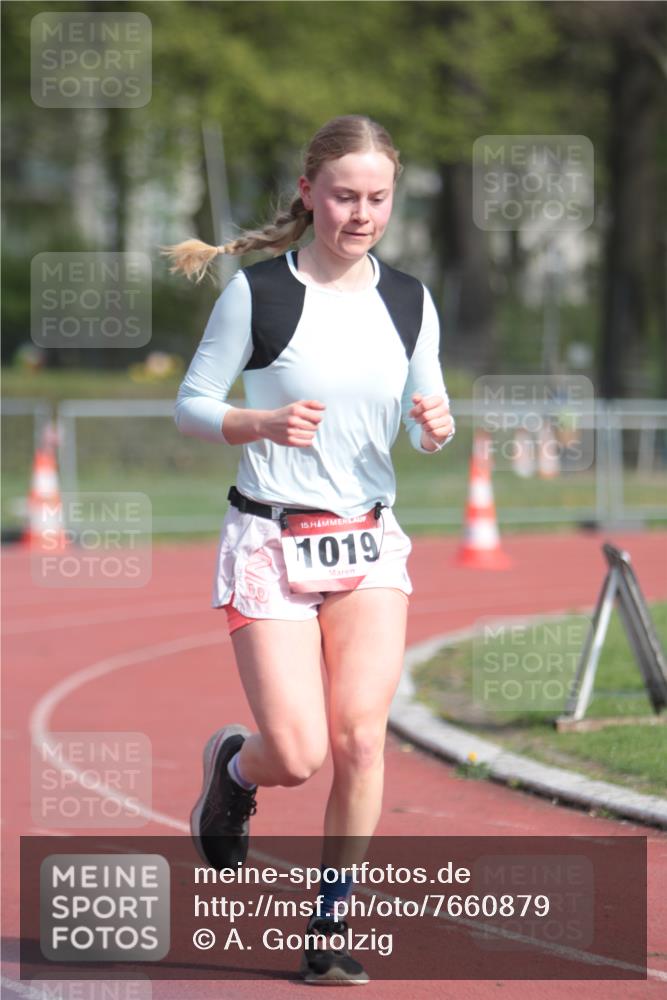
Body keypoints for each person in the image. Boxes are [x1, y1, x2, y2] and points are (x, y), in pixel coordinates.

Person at [164, 114, 455, 986]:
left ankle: (330, 923)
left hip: (366, 540)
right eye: (342, 196)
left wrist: (437, 423)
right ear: (308, 192)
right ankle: (234, 769)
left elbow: (429, 405)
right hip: (268, 533)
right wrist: (258, 421)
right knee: (298, 753)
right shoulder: (261, 294)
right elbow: (191, 403)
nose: (359, 214)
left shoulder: (408, 299)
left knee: (362, 740)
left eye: (376, 198)